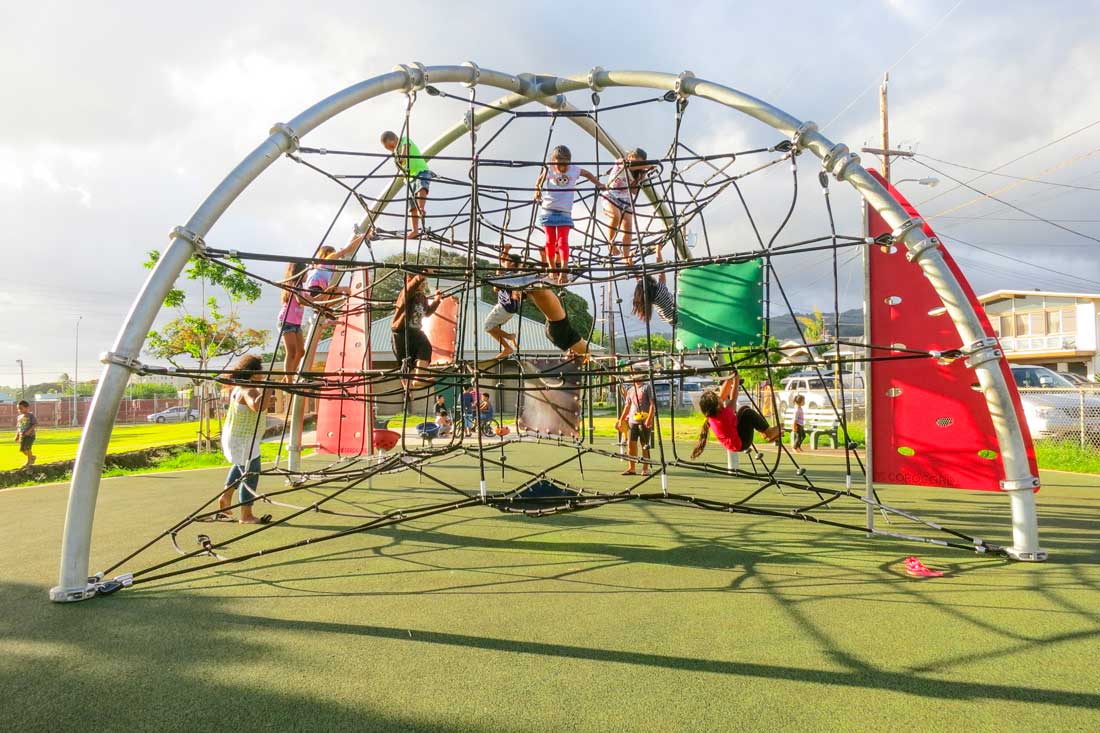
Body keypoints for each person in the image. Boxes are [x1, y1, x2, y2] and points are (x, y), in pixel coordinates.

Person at [218, 355, 274, 524]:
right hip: (244, 440)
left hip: (236, 436)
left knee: (241, 466)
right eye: (260, 371)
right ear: (253, 373)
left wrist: (267, 393)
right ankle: (246, 514)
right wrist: (269, 388)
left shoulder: (239, 387)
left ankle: (226, 497)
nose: (263, 374)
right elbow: (258, 406)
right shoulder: (248, 390)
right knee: (251, 473)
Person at [534, 145, 602, 284]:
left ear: (569, 162)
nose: (562, 168)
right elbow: (539, 180)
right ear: (554, 162)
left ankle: (564, 270)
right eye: (559, 165)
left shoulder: (574, 170)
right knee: (550, 240)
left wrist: (598, 184)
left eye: (565, 165)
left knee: (562, 240)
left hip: (565, 211)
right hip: (549, 209)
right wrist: (537, 191)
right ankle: (552, 268)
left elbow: (587, 174)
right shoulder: (550, 169)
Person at [691, 375, 781, 459]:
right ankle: (768, 432)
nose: (720, 397)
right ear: (717, 405)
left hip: (735, 442)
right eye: (717, 398)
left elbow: (722, 395)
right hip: (742, 443)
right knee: (747, 412)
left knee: (743, 409)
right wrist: (736, 381)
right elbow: (733, 398)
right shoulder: (723, 417)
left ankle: (764, 432)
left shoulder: (713, 415)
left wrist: (730, 379)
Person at [392, 272, 445, 391]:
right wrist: (421, 275)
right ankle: (406, 388)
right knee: (405, 363)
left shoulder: (422, 297)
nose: (424, 285)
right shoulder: (406, 294)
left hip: (416, 332)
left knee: (426, 347)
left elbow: (427, 313)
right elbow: (411, 286)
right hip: (402, 332)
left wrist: (437, 300)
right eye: (422, 282)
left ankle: (418, 378)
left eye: (424, 283)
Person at [604, 148, 653, 264]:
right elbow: (630, 166)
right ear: (630, 157)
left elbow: (635, 191)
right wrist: (645, 166)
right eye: (636, 161)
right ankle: (610, 243)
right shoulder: (621, 162)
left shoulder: (638, 172)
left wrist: (642, 176)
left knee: (628, 227)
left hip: (625, 200)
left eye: (640, 162)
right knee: (615, 216)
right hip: (611, 195)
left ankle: (626, 256)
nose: (638, 164)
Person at [381, 130, 432, 238]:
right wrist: (398, 160)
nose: (390, 149)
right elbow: (399, 166)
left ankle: (421, 208)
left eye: (390, 146)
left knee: (421, 188)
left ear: (394, 139)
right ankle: (414, 230)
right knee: (411, 205)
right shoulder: (396, 153)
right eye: (387, 148)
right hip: (409, 178)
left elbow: (406, 150)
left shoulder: (404, 139)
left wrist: (401, 158)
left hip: (420, 170)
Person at [484, 247, 523, 358]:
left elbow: (496, 289)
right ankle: (507, 346)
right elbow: (502, 261)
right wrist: (505, 249)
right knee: (494, 328)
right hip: (511, 308)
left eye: (508, 261)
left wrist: (497, 277)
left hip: (504, 306)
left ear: (513, 264)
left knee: (488, 326)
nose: (505, 262)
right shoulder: (515, 274)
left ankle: (509, 341)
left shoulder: (507, 275)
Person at [277, 261, 310, 381]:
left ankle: (288, 376)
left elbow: (311, 299)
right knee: (291, 351)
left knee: (301, 351)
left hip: (296, 323)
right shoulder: (293, 285)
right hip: (286, 322)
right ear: (300, 273)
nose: (307, 276)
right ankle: (289, 380)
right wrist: (313, 303)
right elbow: (301, 301)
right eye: (306, 273)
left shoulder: (302, 287)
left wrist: (324, 300)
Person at [617, 372, 654, 476]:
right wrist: (621, 419)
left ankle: (645, 468)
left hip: (644, 420)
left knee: (644, 445)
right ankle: (631, 468)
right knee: (631, 444)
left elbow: (652, 405)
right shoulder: (631, 389)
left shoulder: (647, 387)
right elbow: (627, 405)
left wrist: (649, 419)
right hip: (632, 421)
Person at [14, 400, 37, 467]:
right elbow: (18, 427)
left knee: (27, 448)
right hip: (22, 436)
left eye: (21, 408)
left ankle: (29, 461)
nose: (19, 410)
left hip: (30, 435)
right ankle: (32, 457)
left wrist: (29, 431)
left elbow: (35, 424)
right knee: (22, 450)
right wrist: (17, 435)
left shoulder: (30, 415)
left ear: (27, 408)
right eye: (18, 409)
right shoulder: (19, 417)